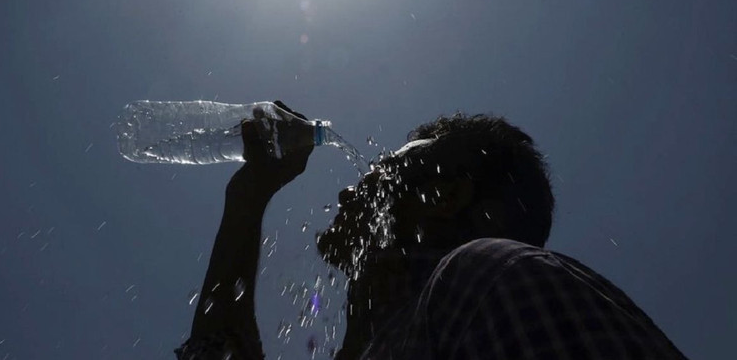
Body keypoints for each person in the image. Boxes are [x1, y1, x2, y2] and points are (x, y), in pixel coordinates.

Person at [175, 103, 686, 359]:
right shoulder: (403, 337)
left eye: (381, 173)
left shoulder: (490, 280)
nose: (349, 193)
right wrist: (248, 195)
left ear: (444, 196)